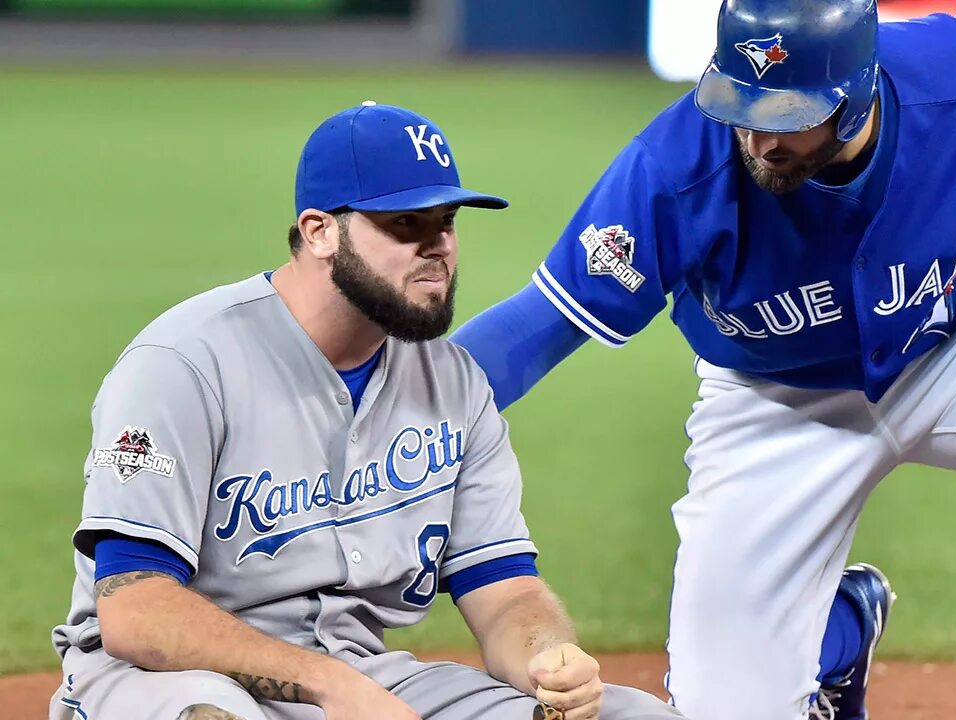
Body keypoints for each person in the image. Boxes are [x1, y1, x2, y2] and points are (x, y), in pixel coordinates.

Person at [451, 1, 956, 719]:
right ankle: (841, 628)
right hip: (769, 404)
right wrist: (397, 405)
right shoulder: (676, 167)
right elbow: (541, 323)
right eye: (742, 108)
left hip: (953, 346)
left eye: (788, 118)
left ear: (857, 91)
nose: (760, 140)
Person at [49, 101, 683, 720]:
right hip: (162, 679)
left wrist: (549, 657)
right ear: (320, 231)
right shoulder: (182, 364)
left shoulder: (455, 385)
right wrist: (330, 685)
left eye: (446, 222)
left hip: (361, 677)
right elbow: (135, 610)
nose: (436, 247)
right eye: (405, 224)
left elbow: (503, 587)